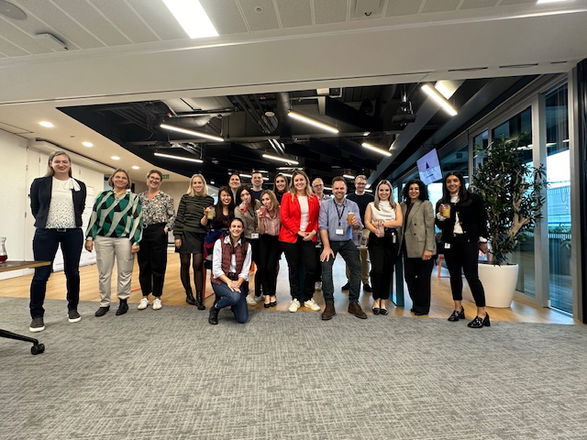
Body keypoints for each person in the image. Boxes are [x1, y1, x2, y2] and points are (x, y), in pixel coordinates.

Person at [28, 151, 87, 332]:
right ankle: (37, 315)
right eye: (57, 161)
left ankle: (73, 309)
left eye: (65, 162)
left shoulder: (79, 185)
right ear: (50, 164)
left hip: (73, 233)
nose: (61, 164)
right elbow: (35, 208)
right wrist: (47, 223)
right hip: (46, 233)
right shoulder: (39, 183)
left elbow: (80, 207)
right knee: (41, 274)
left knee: (73, 272)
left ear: (70, 164)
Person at [436, 172, 490, 328]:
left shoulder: (473, 199)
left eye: (455, 180)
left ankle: (482, 313)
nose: (452, 184)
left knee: (472, 276)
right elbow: (440, 226)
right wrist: (440, 216)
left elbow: (482, 220)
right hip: (450, 243)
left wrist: (483, 240)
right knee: (454, 276)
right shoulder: (442, 202)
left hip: (468, 242)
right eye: (449, 181)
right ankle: (458, 308)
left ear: (460, 182)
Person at [85, 169, 142, 317]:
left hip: (124, 239)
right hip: (103, 238)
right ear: (112, 179)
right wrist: (89, 237)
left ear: (127, 181)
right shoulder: (102, 196)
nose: (120, 179)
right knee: (104, 272)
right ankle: (104, 303)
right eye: (118, 177)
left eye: (124, 178)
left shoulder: (133, 198)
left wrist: (136, 240)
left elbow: (137, 219)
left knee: (125, 271)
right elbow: (94, 216)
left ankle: (123, 301)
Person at [319, 177, 367, 320]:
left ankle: (353, 302)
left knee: (357, 268)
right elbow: (322, 227)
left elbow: (359, 226)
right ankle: (329, 304)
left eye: (342, 188)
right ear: (333, 190)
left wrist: (355, 224)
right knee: (326, 269)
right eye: (336, 188)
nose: (339, 191)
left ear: (346, 189)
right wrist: (326, 247)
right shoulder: (325, 205)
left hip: (347, 241)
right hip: (330, 241)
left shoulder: (353, 205)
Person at [279, 169, 321, 312]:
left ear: (306, 181)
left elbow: (318, 218)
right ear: (293, 182)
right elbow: (284, 218)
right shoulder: (287, 196)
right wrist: (298, 232)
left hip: (309, 236)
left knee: (312, 267)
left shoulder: (313, 197)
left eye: (301, 179)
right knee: (294, 268)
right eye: (296, 180)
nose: (299, 182)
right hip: (290, 237)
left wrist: (314, 231)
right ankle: (295, 298)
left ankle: (308, 298)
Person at [174, 174, 214, 310]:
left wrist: (207, 215)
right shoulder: (185, 198)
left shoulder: (209, 200)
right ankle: (189, 294)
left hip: (200, 235)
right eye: (195, 183)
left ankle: (199, 297)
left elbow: (209, 221)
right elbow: (179, 217)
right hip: (185, 234)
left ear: (203, 184)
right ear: (192, 185)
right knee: (185, 264)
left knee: (197, 265)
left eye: (199, 183)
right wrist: (177, 236)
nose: (197, 185)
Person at [136, 170, 175, 311]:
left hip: (158, 231)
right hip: (143, 232)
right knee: (144, 265)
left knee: (158, 265)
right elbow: (134, 215)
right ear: (147, 179)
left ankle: (157, 296)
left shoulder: (166, 198)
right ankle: (145, 296)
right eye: (152, 178)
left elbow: (172, 216)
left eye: (157, 178)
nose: (154, 180)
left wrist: (166, 229)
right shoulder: (139, 197)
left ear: (160, 181)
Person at [364, 180, 403, 315]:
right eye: (381, 190)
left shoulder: (396, 205)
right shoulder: (371, 205)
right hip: (376, 238)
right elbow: (367, 222)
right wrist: (376, 229)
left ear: (390, 192)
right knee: (377, 270)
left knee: (387, 270)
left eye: (387, 190)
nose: (384, 192)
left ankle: (384, 301)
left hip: (391, 239)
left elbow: (399, 222)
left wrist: (382, 223)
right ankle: (376, 299)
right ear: (377, 191)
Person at [400, 179, 435, 316]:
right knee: (409, 277)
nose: (413, 191)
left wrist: (429, 249)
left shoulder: (426, 204)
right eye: (411, 189)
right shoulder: (403, 205)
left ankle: (423, 307)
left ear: (421, 191)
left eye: (416, 189)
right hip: (407, 247)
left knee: (423, 280)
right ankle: (416, 303)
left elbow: (430, 228)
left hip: (422, 247)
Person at [208, 218, 251, 325]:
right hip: (221, 280)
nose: (236, 229)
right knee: (234, 297)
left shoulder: (247, 246)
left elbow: (245, 270)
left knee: (242, 319)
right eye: (234, 226)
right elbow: (216, 269)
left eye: (239, 227)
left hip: (237, 281)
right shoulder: (219, 243)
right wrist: (229, 282)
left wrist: (238, 283)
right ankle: (215, 308)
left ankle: (233, 302)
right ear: (229, 229)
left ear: (242, 229)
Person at [345, 175, 374, 292]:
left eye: (363, 183)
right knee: (350, 255)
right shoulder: (349, 197)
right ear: (355, 184)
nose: (360, 185)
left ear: (365, 184)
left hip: (365, 230)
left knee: (364, 256)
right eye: (358, 183)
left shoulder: (370, 198)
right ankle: (350, 280)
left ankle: (365, 281)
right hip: (352, 230)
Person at [234, 185, 262, 304]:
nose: (245, 197)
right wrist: (244, 214)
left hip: (259, 238)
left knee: (261, 266)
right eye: (242, 195)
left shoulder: (257, 203)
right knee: (246, 267)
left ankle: (258, 292)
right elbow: (243, 228)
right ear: (239, 197)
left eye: (247, 194)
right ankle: (245, 293)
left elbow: (261, 220)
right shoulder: (238, 209)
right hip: (247, 239)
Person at [256, 190, 280, 308]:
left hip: (276, 240)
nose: (265, 202)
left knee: (271, 267)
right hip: (264, 239)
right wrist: (260, 219)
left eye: (267, 199)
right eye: (263, 200)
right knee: (263, 267)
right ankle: (266, 294)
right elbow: (260, 231)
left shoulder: (279, 210)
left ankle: (272, 293)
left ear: (272, 199)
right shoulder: (260, 211)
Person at [202, 186, 234, 267]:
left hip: (230, 240)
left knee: (228, 265)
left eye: (228, 195)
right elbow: (204, 223)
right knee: (214, 265)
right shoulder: (213, 209)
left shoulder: (234, 210)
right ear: (219, 197)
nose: (226, 198)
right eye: (224, 195)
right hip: (213, 240)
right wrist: (206, 215)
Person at [311, 177, 330, 290]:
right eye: (316, 185)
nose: (318, 187)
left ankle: (325, 279)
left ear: (323, 186)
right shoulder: (310, 198)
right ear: (313, 187)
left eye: (320, 185)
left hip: (325, 231)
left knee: (325, 256)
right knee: (314, 258)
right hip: (313, 231)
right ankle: (316, 279)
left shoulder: (329, 199)